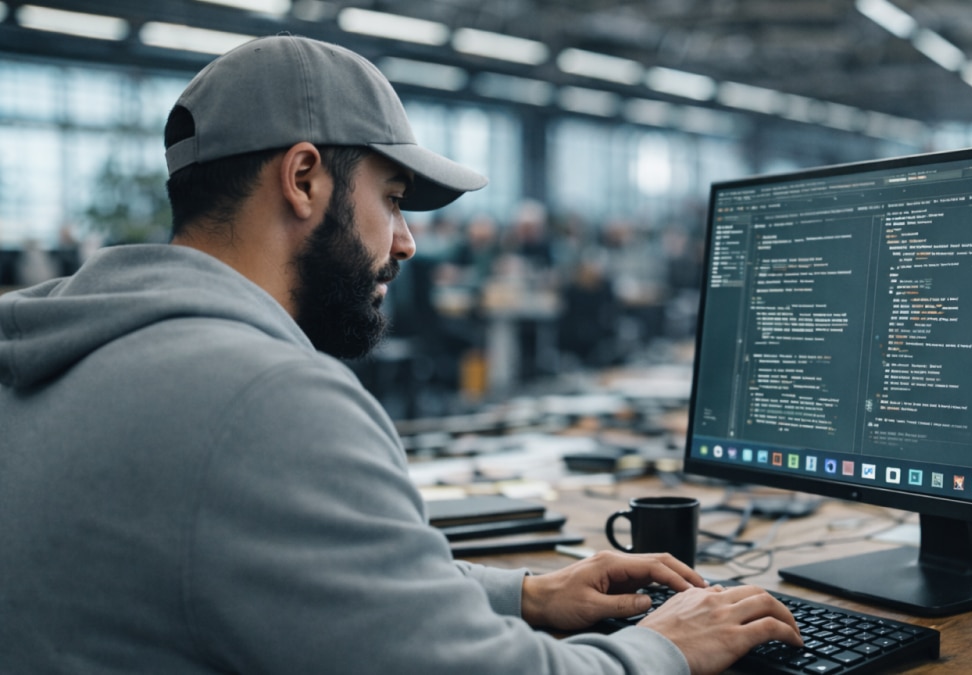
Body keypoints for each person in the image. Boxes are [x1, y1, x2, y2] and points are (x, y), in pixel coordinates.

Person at [0, 35, 801, 674]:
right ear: (304, 178)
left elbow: (293, 567)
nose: (409, 241)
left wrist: (526, 593)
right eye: (390, 198)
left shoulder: (65, 344)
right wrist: (667, 647)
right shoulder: (266, 398)